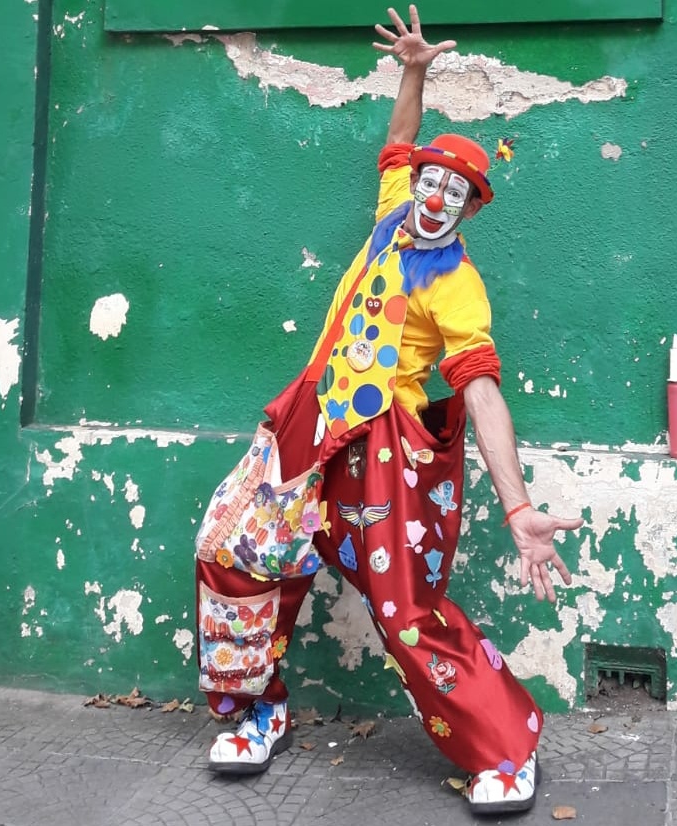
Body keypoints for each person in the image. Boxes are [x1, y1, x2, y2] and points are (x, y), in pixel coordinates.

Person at [195, 4, 584, 815]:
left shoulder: (457, 284)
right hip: (306, 421)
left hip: (380, 452)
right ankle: (258, 710)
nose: (435, 197)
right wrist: (413, 72)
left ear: (469, 208)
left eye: (454, 192)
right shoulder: (389, 216)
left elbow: (480, 389)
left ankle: (504, 749)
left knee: (407, 613)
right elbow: (399, 142)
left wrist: (517, 506)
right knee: (234, 552)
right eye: (430, 181)